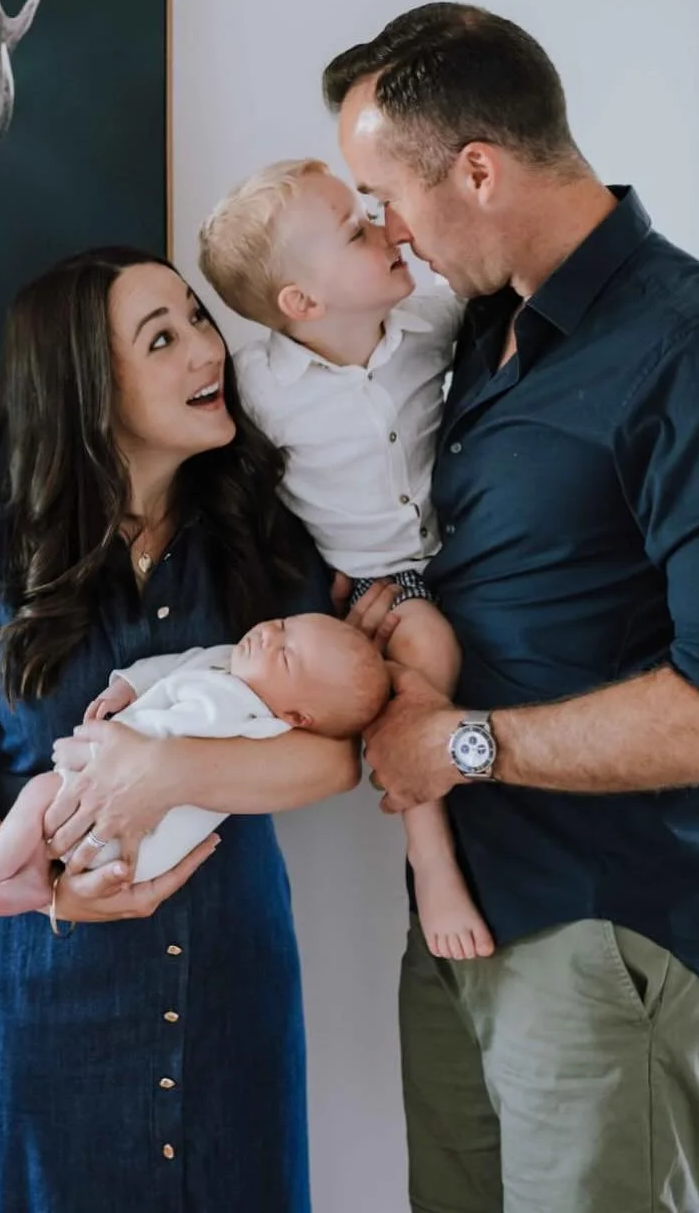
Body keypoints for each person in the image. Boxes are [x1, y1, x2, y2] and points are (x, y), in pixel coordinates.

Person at [322, 2, 699, 1213]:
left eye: (387, 195)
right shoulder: (479, 330)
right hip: (457, 923)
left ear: (479, 168)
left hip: (598, 930)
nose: (385, 232)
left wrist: (461, 744)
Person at [0, 246, 378, 1212]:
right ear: (87, 388)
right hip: (38, 986)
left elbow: (334, 758)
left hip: (229, 977)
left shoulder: (264, 537)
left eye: (198, 320)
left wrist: (167, 768)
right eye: (165, 338)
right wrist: (48, 887)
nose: (207, 350)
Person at [198, 157, 492, 961]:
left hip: (466, 560)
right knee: (421, 655)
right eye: (358, 230)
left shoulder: (434, 323)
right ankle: (431, 859)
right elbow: (238, 491)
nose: (386, 229)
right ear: (302, 303)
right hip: (378, 581)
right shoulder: (259, 388)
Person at [0, 613, 389, 911]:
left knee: (40, 795)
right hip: (108, 810)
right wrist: (128, 685)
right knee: (47, 818)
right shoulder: (227, 662)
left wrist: (94, 751)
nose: (270, 635)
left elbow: (161, 746)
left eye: (286, 654)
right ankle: (35, 878)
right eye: (283, 624)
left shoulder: (255, 721)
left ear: (296, 716)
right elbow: (178, 665)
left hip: (144, 838)